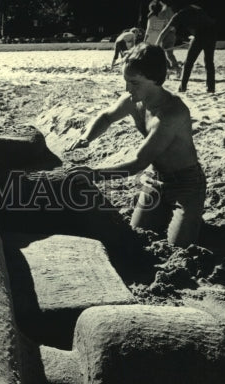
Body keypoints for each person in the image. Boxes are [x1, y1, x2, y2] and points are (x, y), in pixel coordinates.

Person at [67, 44, 206, 247]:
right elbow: (106, 117)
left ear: (155, 80)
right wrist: (86, 138)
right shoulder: (134, 100)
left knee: (178, 246)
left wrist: (94, 174)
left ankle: (191, 216)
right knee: (138, 234)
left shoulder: (172, 112)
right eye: (125, 81)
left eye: (134, 83)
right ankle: (179, 217)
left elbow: (138, 163)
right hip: (153, 181)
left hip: (186, 186)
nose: (127, 89)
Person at [157, 2, 216, 93]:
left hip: (200, 36)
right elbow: (206, 20)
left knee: (188, 63)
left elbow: (164, 32)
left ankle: (182, 87)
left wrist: (156, 44)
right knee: (209, 62)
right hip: (211, 34)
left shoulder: (179, 15)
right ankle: (211, 88)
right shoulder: (194, 7)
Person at [145, 1, 179, 71]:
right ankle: (168, 68)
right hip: (159, 37)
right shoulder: (162, 17)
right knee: (160, 53)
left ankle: (153, 68)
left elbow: (148, 30)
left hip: (152, 37)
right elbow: (168, 26)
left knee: (150, 53)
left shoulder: (151, 17)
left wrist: (145, 39)